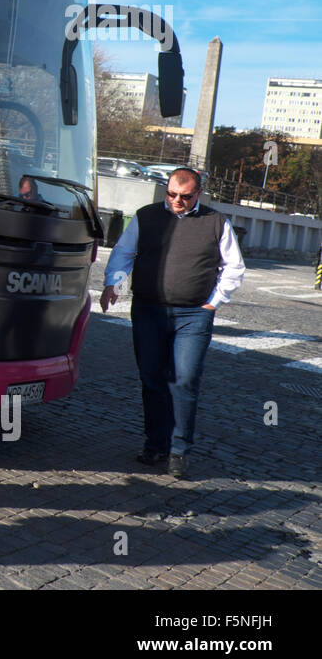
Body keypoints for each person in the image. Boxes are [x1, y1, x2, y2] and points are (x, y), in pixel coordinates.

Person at [101, 167, 245, 479]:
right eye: (171, 194)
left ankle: (179, 451)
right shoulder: (146, 216)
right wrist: (112, 283)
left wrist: (213, 303)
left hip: (193, 315)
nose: (177, 201)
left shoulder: (216, 222)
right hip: (148, 310)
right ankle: (155, 445)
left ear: (198, 195)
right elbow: (124, 252)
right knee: (152, 378)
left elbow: (234, 266)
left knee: (184, 380)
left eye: (185, 196)